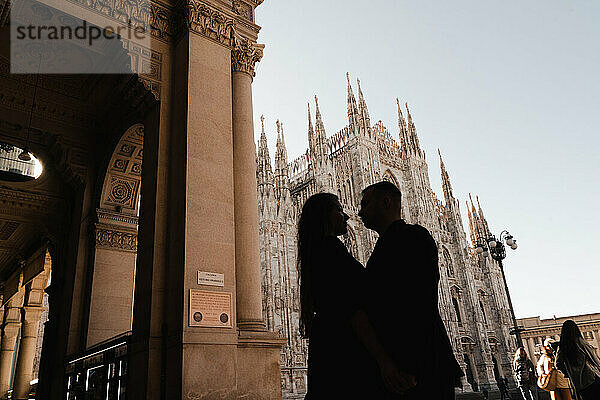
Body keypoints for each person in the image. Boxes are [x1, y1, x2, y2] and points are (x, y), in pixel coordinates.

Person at [297, 193, 410, 399]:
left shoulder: (316, 250)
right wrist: (384, 360)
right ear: (325, 216)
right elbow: (353, 310)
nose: (347, 216)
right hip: (344, 348)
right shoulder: (330, 250)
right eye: (339, 210)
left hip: (328, 345)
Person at [358, 181, 464, 399]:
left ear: (386, 202)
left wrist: (403, 364)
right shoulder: (389, 243)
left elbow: (417, 303)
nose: (360, 211)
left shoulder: (412, 238)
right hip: (414, 362)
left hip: (417, 366)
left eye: (366, 204)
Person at [556, 320, 600, 400]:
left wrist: (568, 373)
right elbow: (595, 360)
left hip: (577, 383)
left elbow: (558, 364)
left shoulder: (562, 347)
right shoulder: (582, 343)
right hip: (591, 379)